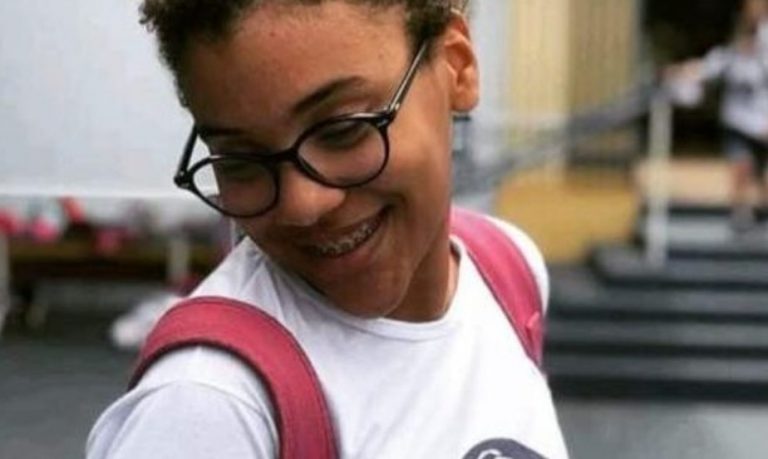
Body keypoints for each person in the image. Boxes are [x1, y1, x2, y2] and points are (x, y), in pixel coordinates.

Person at [86, 1, 569, 458]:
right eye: (241, 161)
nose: (302, 205)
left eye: (342, 129)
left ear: (456, 66)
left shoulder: (507, 270)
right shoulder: (208, 405)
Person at [666, 0, 768, 233]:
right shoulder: (733, 49)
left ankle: (763, 212)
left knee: (763, 174)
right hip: (739, 122)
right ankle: (741, 215)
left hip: (763, 124)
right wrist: (680, 72)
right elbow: (709, 67)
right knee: (741, 168)